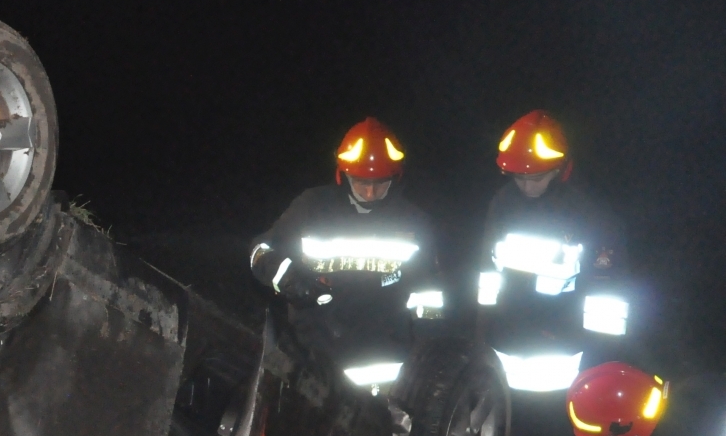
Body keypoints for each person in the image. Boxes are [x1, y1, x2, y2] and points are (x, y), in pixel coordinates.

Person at [249, 117, 441, 390]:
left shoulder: (414, 224)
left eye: (380, 183)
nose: (371, 193)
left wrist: (426, 354)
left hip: (382, 364)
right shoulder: (312, 207)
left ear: (395, 178)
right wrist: (288, 279)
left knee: (373, 431)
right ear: (344, 175)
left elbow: (429, 294)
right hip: (311, 355)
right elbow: (261, 250)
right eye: (362, 182)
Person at [477, 110, 630, 395]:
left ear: (559, 168)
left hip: (566, 358)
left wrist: (600, 364)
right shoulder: (503, 204)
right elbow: (488, 274)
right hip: (505, 350)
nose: (526, 186)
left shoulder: (590, 214)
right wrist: (482, 335)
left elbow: (607, 299)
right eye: (518, 178)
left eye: (536, 177)